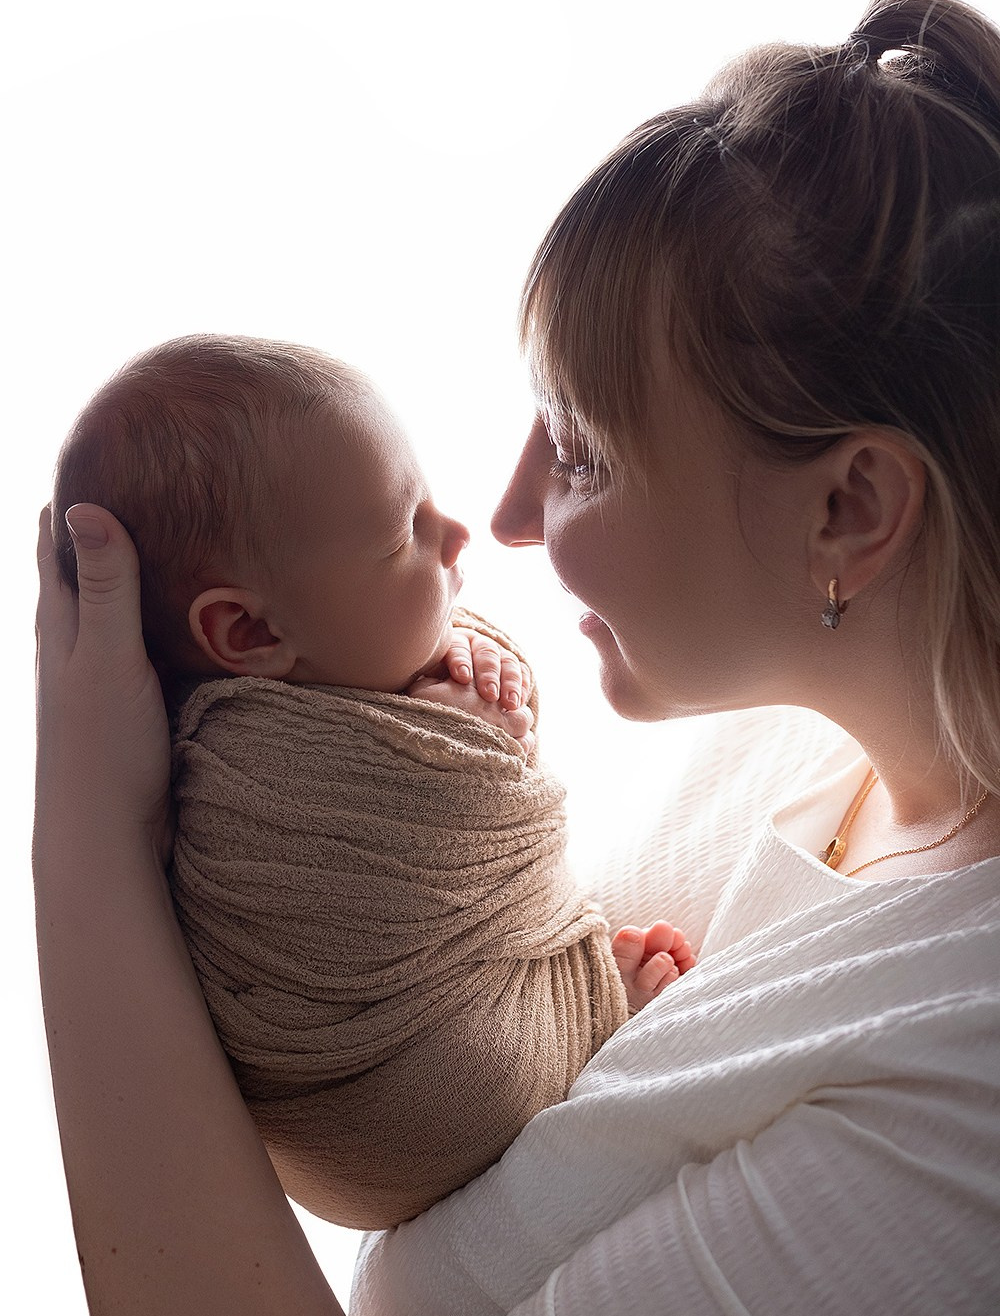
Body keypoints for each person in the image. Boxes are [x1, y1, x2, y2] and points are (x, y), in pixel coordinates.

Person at [34, 0, 1000, 1316]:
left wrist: (85, 840)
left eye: (586, 450)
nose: (507, 517)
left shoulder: (962, 1100)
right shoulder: (781, 740)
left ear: (850, 510)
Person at [48, 334, 693, 1232]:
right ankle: (586, 1019)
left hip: (346, 1149)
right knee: (475, 1074)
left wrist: (467, 694)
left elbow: (444, 688)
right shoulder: (254, 775)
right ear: (244, 635)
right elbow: (457, 804)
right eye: (405, 536)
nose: (458, 533)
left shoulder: (335, 668)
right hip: (402, 1104)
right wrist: (478, 736)